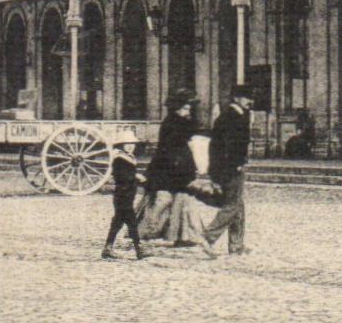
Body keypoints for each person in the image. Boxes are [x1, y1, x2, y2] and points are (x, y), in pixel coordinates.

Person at [139, 94, 214, 249]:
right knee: (169, 200)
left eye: (189, 108)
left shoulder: (179, 122)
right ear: (177, 108)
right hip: (171, 167)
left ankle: (180, 235)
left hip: (179, 166)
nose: (188, 111)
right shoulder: (172, 124)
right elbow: (170, 147)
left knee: (180, 200)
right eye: (185, 108)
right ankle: (150, 231)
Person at [201, 86, 254, 255]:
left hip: (227, 167)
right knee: (232, 205)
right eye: (246, 97)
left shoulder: (234, 115)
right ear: (236, 99)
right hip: (230, 168)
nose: (249, 101)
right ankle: (206, 237)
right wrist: (236, 163)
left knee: (238, 205)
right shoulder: (232, 117)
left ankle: (236, 245)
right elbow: (228, 146)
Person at [101, 131, 150, 261]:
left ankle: (108, 248)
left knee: (117, 222)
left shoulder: (129, 157)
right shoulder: (119, 159)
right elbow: (121, 176)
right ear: (122, 145)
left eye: (132, 144)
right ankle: (139, 249)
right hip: (122, 195)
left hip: (127, 194)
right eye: (127, 144)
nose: (130, 146)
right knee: (132, 221)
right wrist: (136, 177)